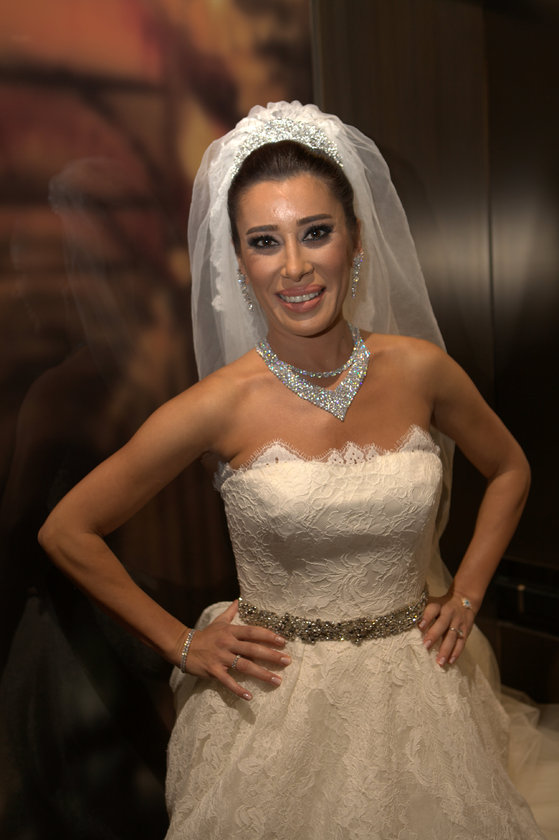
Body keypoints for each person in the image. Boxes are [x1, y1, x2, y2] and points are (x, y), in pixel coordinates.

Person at [38, 102, 559, 839]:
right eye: (264, 241)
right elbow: (68, 530)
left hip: (421, 697)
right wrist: (181, 642)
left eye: (315, 232)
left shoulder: (421, 370)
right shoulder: (219, 404)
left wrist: (467, 591)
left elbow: (509, 468)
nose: (293, 266)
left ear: (356, 240)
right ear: (238, 261)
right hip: (274, 711)